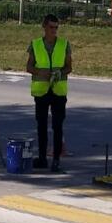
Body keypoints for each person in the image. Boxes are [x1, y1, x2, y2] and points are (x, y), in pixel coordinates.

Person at [26, 14, 72, 171]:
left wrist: (60, 72)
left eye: (56, 28)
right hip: (42, 91)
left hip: (58, 91)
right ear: (44, 27)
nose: (54, 30)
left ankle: (56, 160)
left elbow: (69, 67)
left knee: (57, 126)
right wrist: (40, 72)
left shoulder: (64, 44)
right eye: (51, 27)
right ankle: (42, 159)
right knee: (41, 126)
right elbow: (29, 67)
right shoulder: (36, 44)